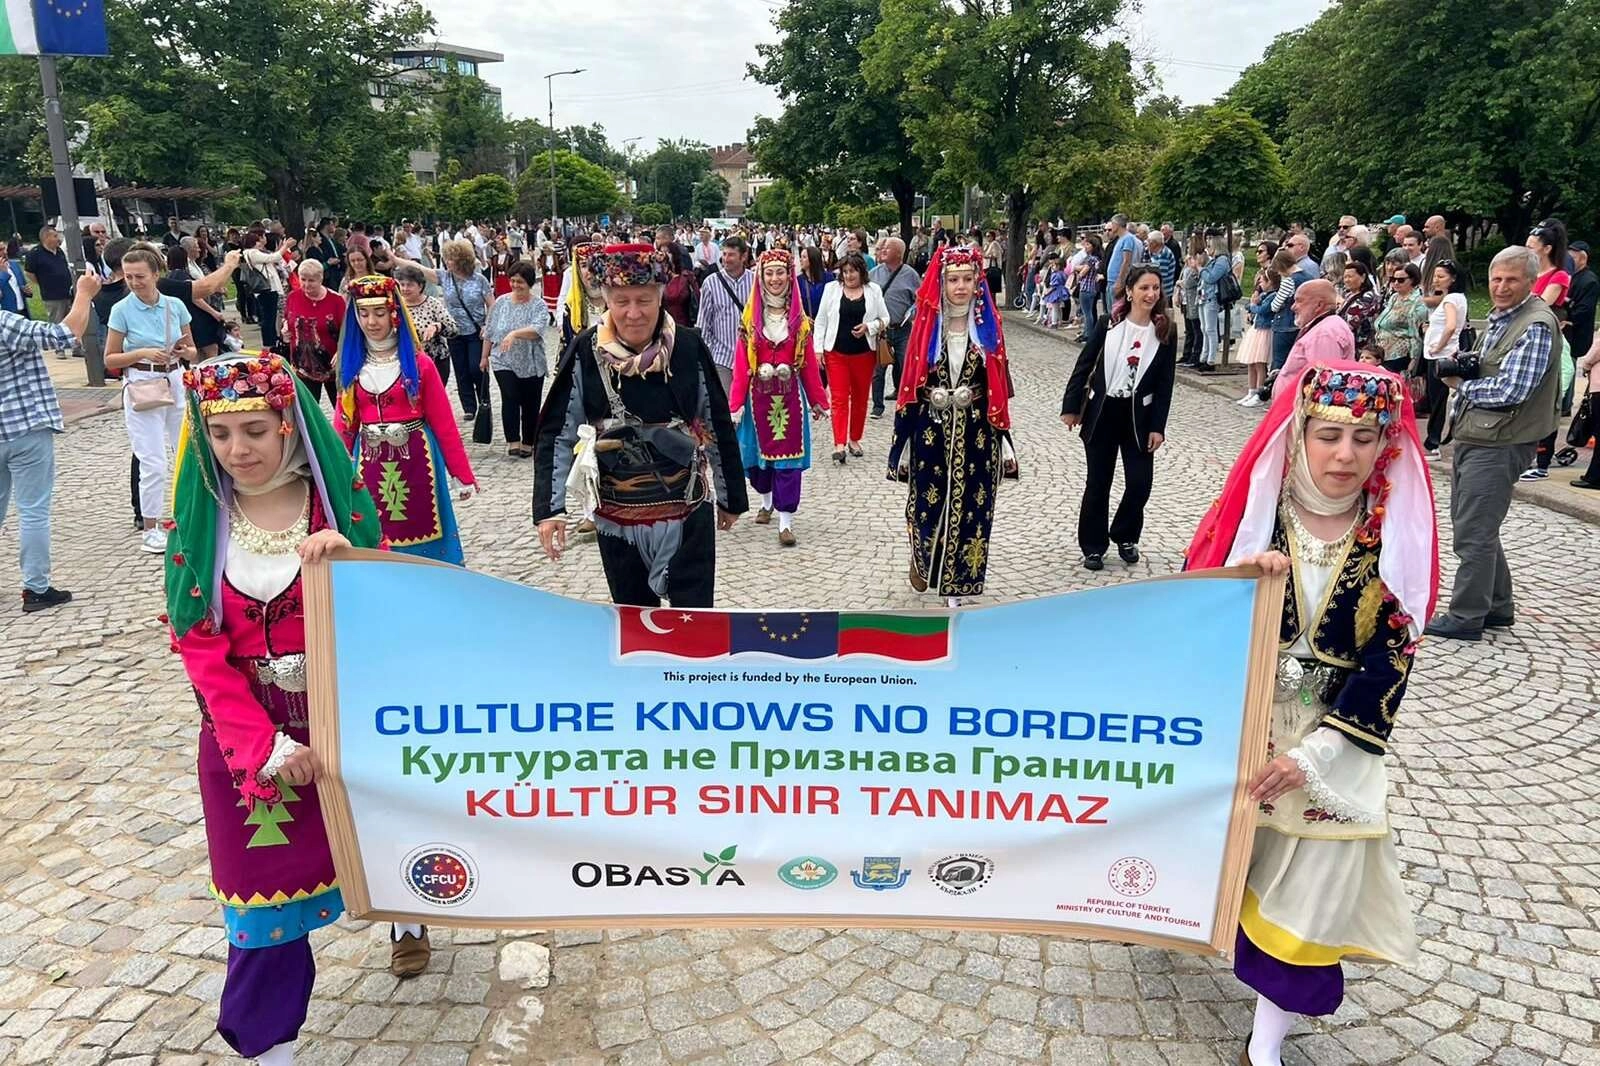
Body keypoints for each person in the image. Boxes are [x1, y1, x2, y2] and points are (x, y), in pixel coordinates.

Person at [165, 351, 437, 1064]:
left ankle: (409, 917)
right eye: (220, 434)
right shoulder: (201, 520)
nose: (238, 450)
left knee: (389, 843)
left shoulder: (338, 506)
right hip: (248, 739)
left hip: (346, 722)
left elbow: (397, 617)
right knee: (259, 905)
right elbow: (198, 647)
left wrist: (350, 568)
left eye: (255, 430)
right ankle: (268, 1050)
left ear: (288, 424)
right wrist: (262, 746)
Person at [1185, 361, 1436, 1066]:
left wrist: (1315, 754)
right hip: (1241, 724)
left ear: (1385, 443)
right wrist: (1243, 583)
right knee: (1211, 856)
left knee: (1312, 889)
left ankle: (1265, 1043)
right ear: (1299, 433)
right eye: (1328, 435)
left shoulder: (1394, 537)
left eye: (1363, 438)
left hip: (1333, 745)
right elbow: (1189, 618)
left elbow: (1392, 659)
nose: (1344, 455)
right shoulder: (1256, 518)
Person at [534, 244, 748, 607]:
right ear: (607, 301)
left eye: (644, 300)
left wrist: (731, 498)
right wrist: (549, 509)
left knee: (694, 621)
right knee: (633, 620)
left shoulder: (688, 346)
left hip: (686, 511)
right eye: (622, 301)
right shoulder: (586, 350)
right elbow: (557, 431)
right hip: (617, 521)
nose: (633, 313)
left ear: (660, 297)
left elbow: (716, 421)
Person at [1426, 246, 1563, 640]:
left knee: (1473, 531)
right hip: (1482, 434)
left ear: (1531, 281)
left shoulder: (1535, 324)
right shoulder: (1506, 317)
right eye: (1496, 279)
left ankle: (1467, 616)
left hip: (1500, 441)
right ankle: (1498, 606)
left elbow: (1512, 391)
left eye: (1511, 280)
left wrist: (1460, 384)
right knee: (1477, 524)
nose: (1501, 287)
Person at [888, 246, 1011, 606]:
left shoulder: (988, 330)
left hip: (976, 432)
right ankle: (923, 557)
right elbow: (910, 385)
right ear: (941, 284)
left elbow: (998, 386)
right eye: (953, 280)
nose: (960, 287)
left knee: (973, 507)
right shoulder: (927, 327)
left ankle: (958, 585)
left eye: (967, 279)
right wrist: (903, 440)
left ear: (977, 283)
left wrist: (1003, 437)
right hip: (932, 428)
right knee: (926, 503)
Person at [334, 275, 477, 565]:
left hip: (417, 460)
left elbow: (444, 423)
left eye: (379, 312)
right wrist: (333, 471)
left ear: (394, 314)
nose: (371, 322)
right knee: (376, 527)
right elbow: (343, 425)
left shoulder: (420, 364)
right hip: (369, 462)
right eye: (364, 313)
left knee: (423, 525)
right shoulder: (351, 367)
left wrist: (462, 474)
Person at [1060, 264, 1176, 569]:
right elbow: (1084, 365)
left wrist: (1158, 427)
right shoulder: (1108, 324)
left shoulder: (1165, 329)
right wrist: (1071, 407)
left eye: (1155, 288)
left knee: (1140, 483)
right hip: (1104, 411)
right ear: (1130, 292)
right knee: (1099, 482)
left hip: (1139, 416)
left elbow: (1165, 383)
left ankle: (1125, 534)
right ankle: (1093, 545)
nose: (1151, 294)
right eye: (1144, 288)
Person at [0, 271, 100, 611]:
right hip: (25, 426)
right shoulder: (4, 322)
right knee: (33, 511)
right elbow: (62, 336)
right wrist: (84, 293)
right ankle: (36, 588)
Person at [727, 249, 828, 545]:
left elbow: (808, 364)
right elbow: (741, 364)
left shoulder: (800, 321)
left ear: (789, 276)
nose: (774, 279)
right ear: (761, 276)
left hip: (789, 398)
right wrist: (735, 404)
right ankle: (766, 499)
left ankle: (785, 522)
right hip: (756, 398)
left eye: (780, 272)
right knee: (756, 465)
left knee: (788, 462)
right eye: (769, 273)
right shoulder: (750, 320)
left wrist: (818, 400)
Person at [105, 245, 197, 555]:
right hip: (143, 383)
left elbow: (193, 349)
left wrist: (184, 351)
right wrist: (142, 352)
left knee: (186, 451)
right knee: (153, 460)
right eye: (129, 276)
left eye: (140, 276)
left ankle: (188, 515)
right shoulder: (122, 310)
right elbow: (110, 358)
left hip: (175, 379)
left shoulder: (174, 305)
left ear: (155, 274)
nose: (134, 282)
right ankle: (150, 526)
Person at [815, 252, 889, 464]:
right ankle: (839, 443)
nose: (848, 275)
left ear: (861, 272)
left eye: (852, 271)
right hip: (836, 352)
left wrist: (869, 327)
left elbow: (885, 318)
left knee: (860, 397)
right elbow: (821, 321)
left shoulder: (873, 290)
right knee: (839, 398)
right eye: (845, 271)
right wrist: (818, 349)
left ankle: (854, 439)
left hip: (864, 353)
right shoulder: (831, 289)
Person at [482, 261, 550, 459]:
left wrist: (515, 333)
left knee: (530, 403)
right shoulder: (501, 302)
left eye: (520, 281)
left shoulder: (539, 305)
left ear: (529, 283)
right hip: (503, 359)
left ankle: (529, 441)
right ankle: (513, 440)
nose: (515, 285)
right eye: (512, 280)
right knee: (510, 397)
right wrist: (484, 356)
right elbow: (490, 330)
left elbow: (537, 329)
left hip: (531, 361)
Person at [1521, 220, 1572, 480]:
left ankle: (1542, 461)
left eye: (1532, 246)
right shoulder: (1528, 275)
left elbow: (1540, 304)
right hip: (1523, 338)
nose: (1527, 250)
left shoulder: (1558, 276)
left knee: (1545, 399)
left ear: (1547, 248)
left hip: (1545, 340)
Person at [438, 239, 493, 421]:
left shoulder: (479, 280)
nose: (447, 262)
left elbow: (491, 305)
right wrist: (394, 259)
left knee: (476, 367)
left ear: (462, 260)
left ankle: (484, 399)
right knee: (461, 371)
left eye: (451, 258)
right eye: (446, 258)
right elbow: (419, 270)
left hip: (476, 332)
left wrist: (487, 325)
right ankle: (469, 407)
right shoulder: (445, 277)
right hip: (454, 332)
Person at [1420, 260, 1469, 458]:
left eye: (1441, 277)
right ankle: (1434, 440)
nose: (1436, 280)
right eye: (1435, 276)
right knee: (1438, 399)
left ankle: (1433, 443)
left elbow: (1450, 326)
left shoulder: (1450, 300)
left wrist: (1438, 346)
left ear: (1453, 278)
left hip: (1440, 356)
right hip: (1442, 353)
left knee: (1437, 401)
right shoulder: (1457, 298)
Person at [869, 237, 921, 419]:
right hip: (881, 330)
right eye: (882, 248)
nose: (883, 250)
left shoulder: (911, 275)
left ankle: (902, 396)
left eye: (887, 248)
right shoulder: (873, 274)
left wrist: (914, 311)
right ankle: (877, 406)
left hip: (902, 328)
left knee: (904, 363)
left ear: (899, 253)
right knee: (878, 369)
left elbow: (919, 300)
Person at [695, 236, 754, 396]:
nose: (726, 259)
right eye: (724, 254)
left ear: (743, 256)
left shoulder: (755, 281)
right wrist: (708, 355)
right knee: (726, 405)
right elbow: (703, 323)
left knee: (753, 404)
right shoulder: (711, 283)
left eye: (731, 255)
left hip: (751, 356)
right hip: (722, 358)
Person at [282, 259, 345, 405]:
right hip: (303, 365)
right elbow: (288, 320)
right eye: (303, 279)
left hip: (332, 365)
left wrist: (341, 352)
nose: (306, 284)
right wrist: (285, 330)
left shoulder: (336, 300)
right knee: (308, 407)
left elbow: (347, 331)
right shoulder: (293, 297)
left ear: (321, 279)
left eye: (311, 280)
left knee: (340, 406)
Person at [393, 261, 457, 388]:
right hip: (406, 361)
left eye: (410, 285)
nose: (405, 289)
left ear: (420, 286)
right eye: (402, 284)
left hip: (435, 361)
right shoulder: (395, 306)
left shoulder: (432, 303)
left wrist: (437, 326)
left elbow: (453, 329)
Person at [1237, 249, 1279, 406]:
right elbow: (1250, 305)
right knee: (1251, 362)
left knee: (1260, 363)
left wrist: (1253, 306)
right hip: (1256, 329)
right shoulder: (1263, 295)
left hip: (1264, 330)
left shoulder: (1272, 296)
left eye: (1262, 281)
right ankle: (1251, 390)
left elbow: (1262, 309)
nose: (1260, 284)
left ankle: (1260, 391)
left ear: (1270, 282)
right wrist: (1253, 305)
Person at [23, 226, 75, 344]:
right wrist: (43, 283)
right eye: (55, 236)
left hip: (68, 292)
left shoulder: (59, 251)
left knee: (70, 321)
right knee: (57, 322)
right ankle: (59, 346)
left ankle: (73, 344)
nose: (58, 239)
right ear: (46, 238)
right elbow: (29, 272)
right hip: (52, 295)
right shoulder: (35, 254)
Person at [242, 230, 293, 350]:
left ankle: (272, 341)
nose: (260, 243)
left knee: (270, 316)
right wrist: (285, 246)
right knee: (269, 317)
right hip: (267, 289)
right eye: (258, 241)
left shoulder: (251, 253)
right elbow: (273, 257)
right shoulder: (252, 253)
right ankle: (269, 343)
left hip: (267, 289)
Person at [1373, 263, 1427, 376]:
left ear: (1413, 280)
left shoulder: (1418, 302)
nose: (1396, 283)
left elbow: (1416, 334)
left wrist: (1413, 361)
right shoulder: (1394, 297)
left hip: (1399, 354)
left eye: (1401, 280)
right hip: (1382, 352)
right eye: (1393, 279)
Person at [1198, 236, 1232, 371]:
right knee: (1204, 328)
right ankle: (1204, 356)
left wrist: (1200, 269)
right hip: (1204, 296)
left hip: (1212, 297)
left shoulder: (1222, 261)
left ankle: (1210, 360)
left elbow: (1211, 278)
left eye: (1210, 246)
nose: (1208, 249)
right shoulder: (1214, 260)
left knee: (1210, 329)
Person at [1337, 261, 1382, 352]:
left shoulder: (1367, 297)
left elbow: (1351, 322)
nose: (1346, 280)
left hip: (1360, 346)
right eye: (1345, 277)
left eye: (1350, 276)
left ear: (1363, 277)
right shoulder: (1349, 294)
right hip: (1346, 342)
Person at [1104, 213, 1140, 314]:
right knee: (1111, 311)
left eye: (1112, 224)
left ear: (1117, 225)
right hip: (1111, 281)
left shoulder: (1127, 238)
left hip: (1116, 281)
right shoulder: (1121, 239)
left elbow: (1126, 261)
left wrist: (1120, 281)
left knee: (1116, 311)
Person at [1178, 252, 1202, 367]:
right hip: (1185, 301)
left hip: (1193, 302)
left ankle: (1195, 355)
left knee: (1196, 330)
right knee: (1189, 330)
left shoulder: (1193, 270)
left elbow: (1187, 283)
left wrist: (1180, 283)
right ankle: (1186, 354)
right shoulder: (1186, 269)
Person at [797, 245, 833, 320]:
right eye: (801, 257)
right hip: (808, 322)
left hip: (827, 320)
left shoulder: (828, 278)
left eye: (804, 257)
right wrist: (804, 317)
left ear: (813, 259)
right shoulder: (799, 281)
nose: (800, 260)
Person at [0, 245, 32, 316]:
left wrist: (27, 292)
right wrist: (4, 273)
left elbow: (23, 285)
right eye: (1, 250)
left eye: (5, 249)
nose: (5, 252)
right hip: (7, 315)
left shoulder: (14, 265)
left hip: (23, 311)